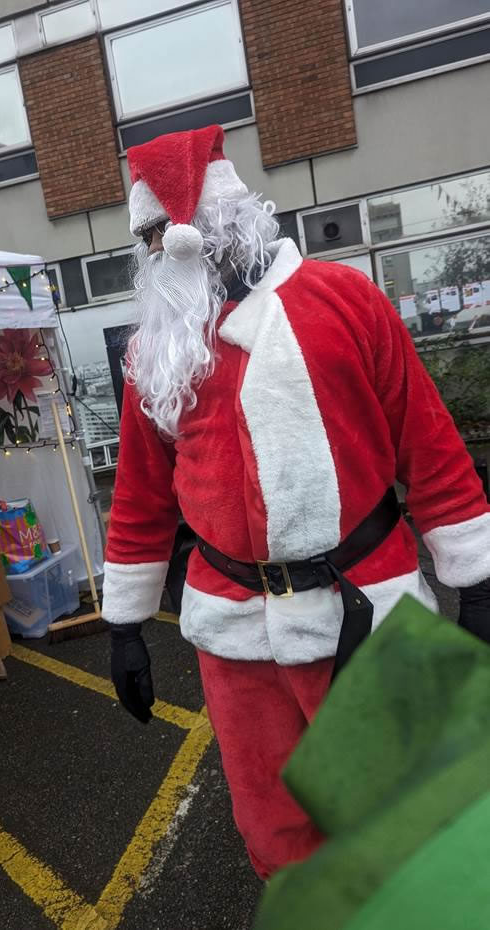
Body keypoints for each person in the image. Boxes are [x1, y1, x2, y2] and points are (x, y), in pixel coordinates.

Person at [102, 124, 490, 880]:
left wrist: (473, 579)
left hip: (366, 611)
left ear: (226, 217)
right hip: (234, 630)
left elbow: (427, 443)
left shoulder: (342, 298)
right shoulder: (155, 352)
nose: (161, 250)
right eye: (146, 238)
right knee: (276, 830)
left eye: (166, 231)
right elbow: (141, 495)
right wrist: (123, 626)